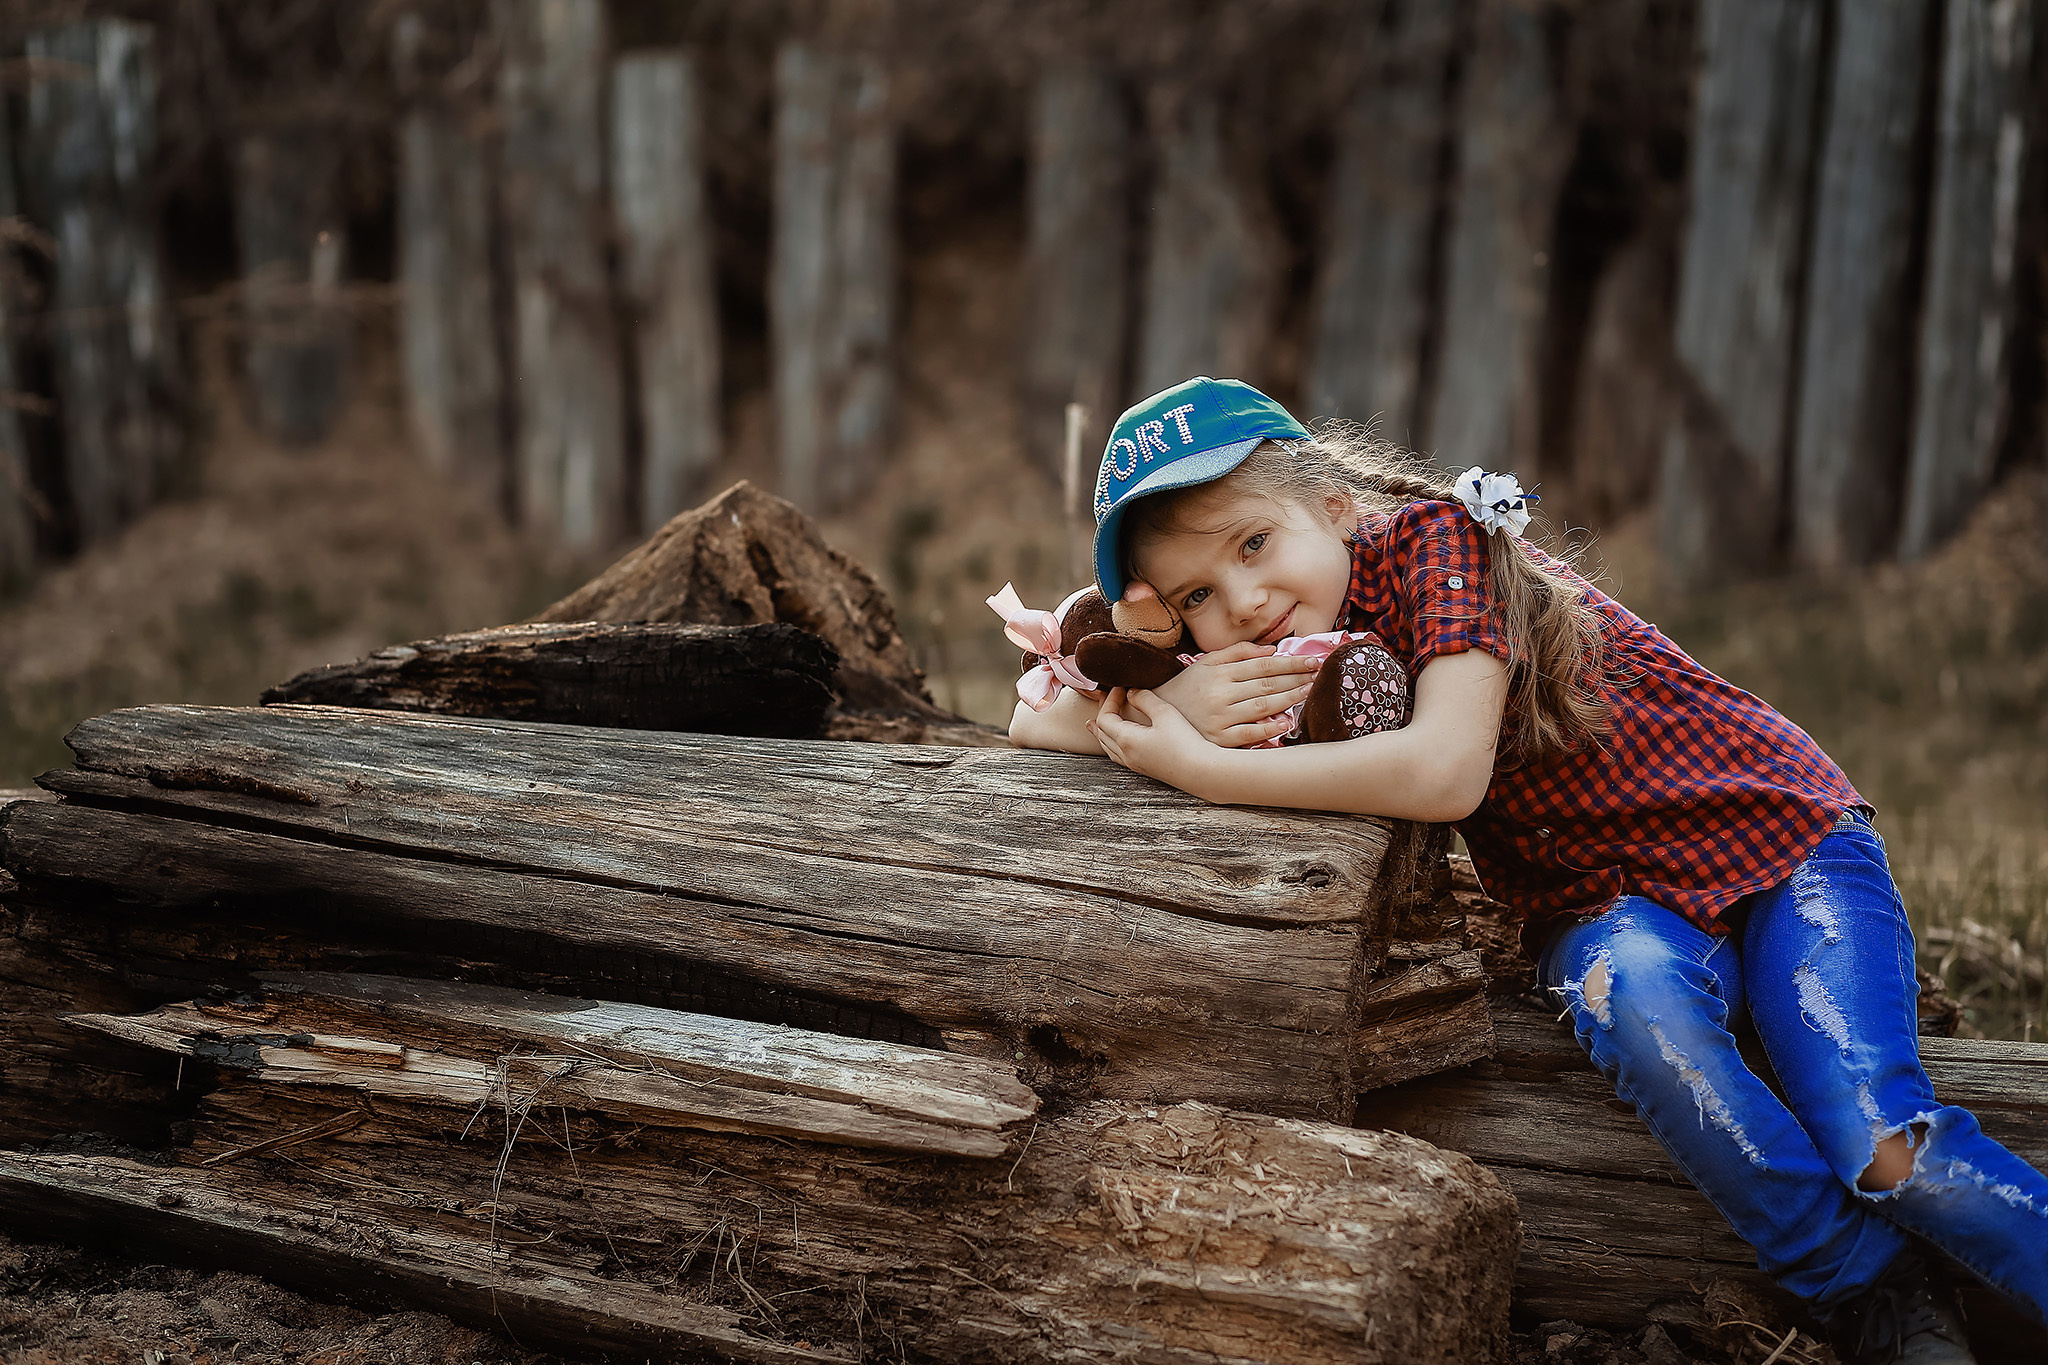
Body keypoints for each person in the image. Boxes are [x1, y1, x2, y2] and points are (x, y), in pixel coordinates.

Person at [1007, 376, 2048, 1365]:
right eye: (1196, 593)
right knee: (1631, 1002)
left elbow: (1447, 770)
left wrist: (1198, 767)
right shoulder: (1257, 646)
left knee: (1883, 1149)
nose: (1242, 599)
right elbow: (1030, 713)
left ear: (1332, 503)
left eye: (1253, 542)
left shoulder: (1433, 545)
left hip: (1772, 838)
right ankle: (1866, 1289)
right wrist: (1173, 701)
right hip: (1598, 906)